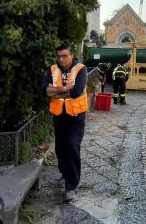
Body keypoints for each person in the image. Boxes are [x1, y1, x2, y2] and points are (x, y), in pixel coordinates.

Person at [39, 43, 88, 202]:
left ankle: (71, 186)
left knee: (72, 146)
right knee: (60, 148)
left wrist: (55, 90)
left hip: (76, 116)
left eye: (65, 56)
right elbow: (44, 90)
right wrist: (63, 89)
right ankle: (64, 173)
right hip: (59, 116)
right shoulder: (53, 69)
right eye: (59, 56)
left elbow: (75, 92)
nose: (61, 59)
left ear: (71, 55)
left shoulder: (81, 69)